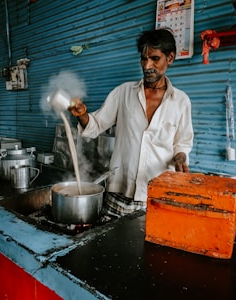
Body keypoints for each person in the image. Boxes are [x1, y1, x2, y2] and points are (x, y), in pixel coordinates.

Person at [69, 28, 194, 219]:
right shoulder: (123, 93)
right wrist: (82, 114)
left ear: (170, 58)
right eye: (144, 59)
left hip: (155, 195)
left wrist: (180, 157)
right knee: (109, 245)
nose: (147, 65)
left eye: (154, 58)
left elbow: (183, 142)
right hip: (120, 190)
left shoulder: (181, 101)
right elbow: (95, 125)